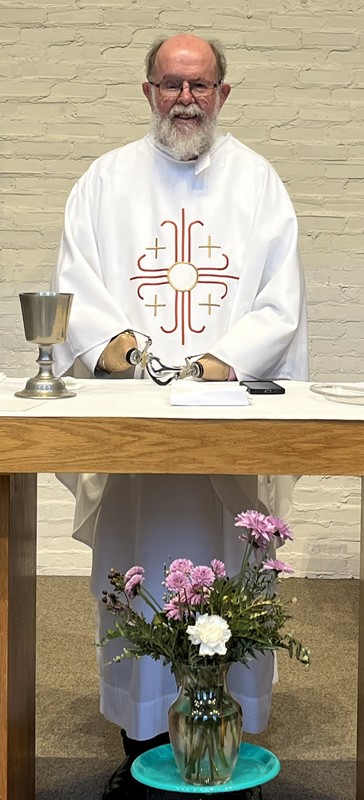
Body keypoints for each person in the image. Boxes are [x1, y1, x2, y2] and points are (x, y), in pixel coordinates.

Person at [52, 33, 308, 800]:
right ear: (148, 92)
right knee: (137, 572)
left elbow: (278, 302)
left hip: (228, 420)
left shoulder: (258, 184)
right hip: (136, 427)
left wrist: (207, 368)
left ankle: (224, 744)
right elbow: (78, 287)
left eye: (200, 86)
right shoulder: (105, 183)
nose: (185, 99)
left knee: (233, 567)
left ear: (223, 95)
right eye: (171, 85)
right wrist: (140, 363)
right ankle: (139, 745)